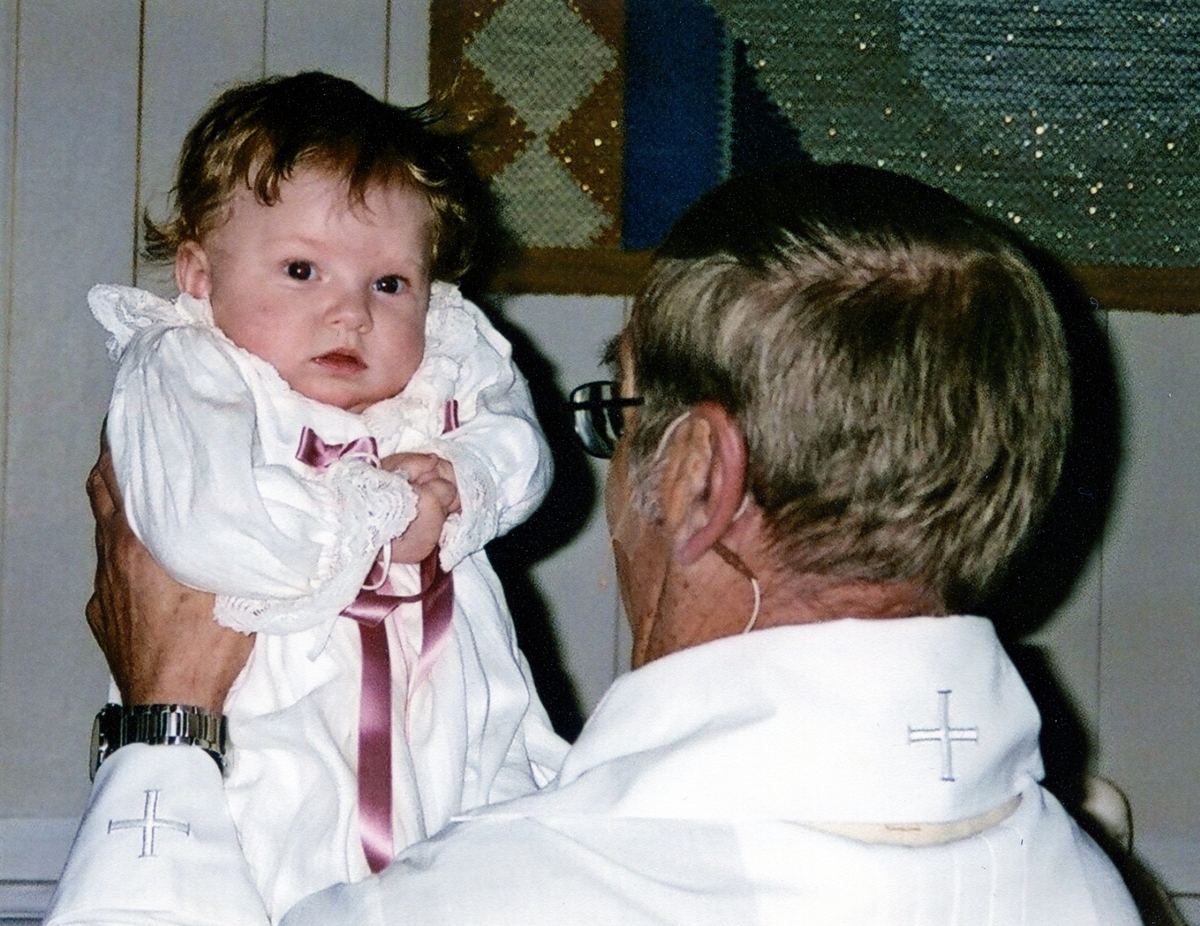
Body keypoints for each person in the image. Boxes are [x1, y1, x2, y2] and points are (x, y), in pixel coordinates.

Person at [47, 162, 1144, 925]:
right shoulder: (1085, 888)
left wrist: (164, 728)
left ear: (700, 475)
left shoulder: (513, 899)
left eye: (620, 416)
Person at [64, 72, 567, 921]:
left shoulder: (448, 352)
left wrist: (463, 480)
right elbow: (213, 530)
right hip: (266, 705)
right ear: (199, 274)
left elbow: (524, 451)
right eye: (302, 270)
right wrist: (380, 512)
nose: (351, 314)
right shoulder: (184, 368)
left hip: (454, 708)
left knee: (495, 871)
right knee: (269, 868)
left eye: (389, 283)